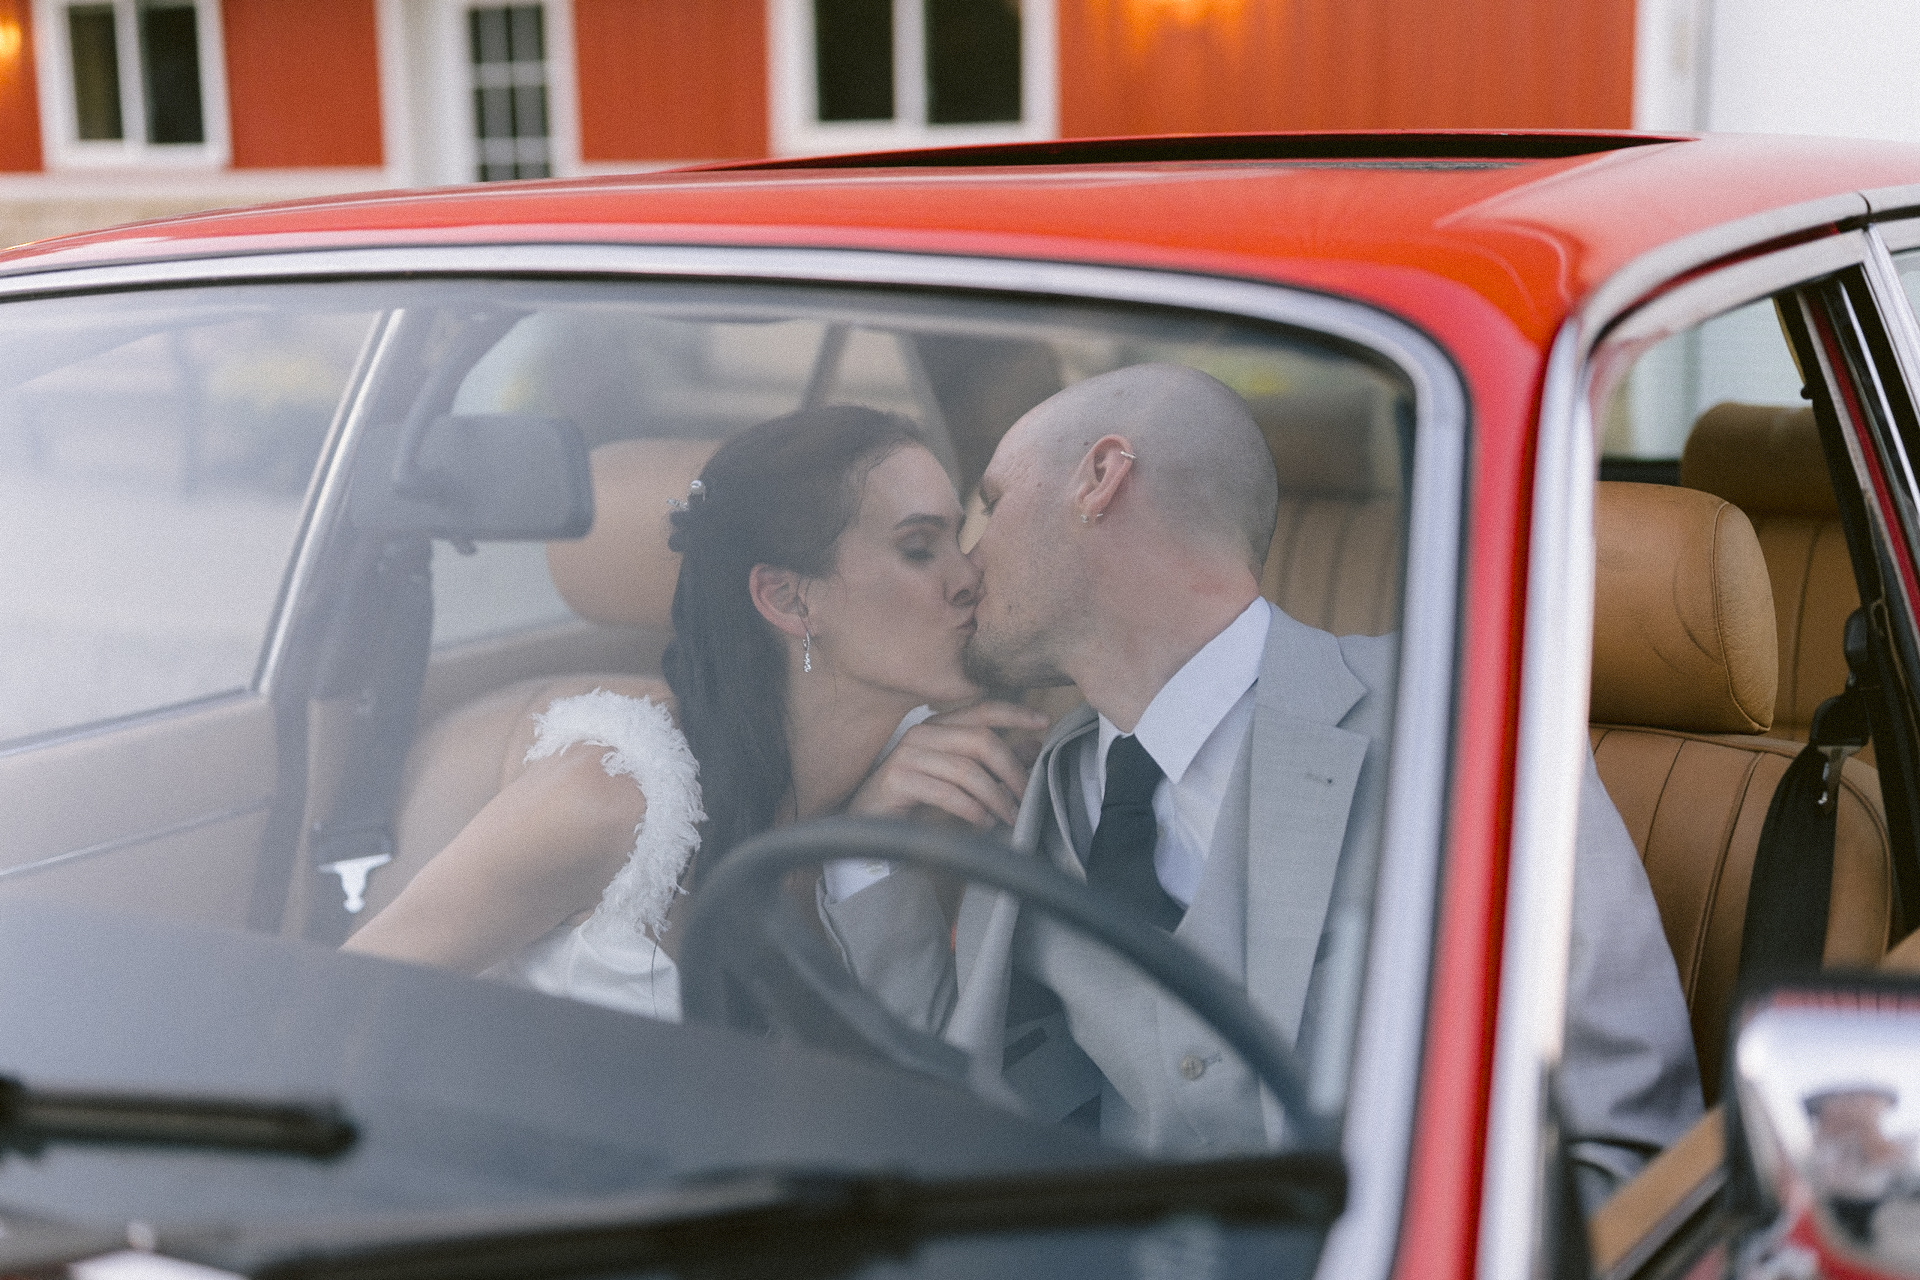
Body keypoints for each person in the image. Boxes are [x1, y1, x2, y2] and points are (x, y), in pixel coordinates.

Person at [822, 362, 1703, 1210]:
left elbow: (1619, 1138)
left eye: (993, 504)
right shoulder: (1048, 781)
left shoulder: (1462, 726)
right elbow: (947, 1096)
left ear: (1100, 478)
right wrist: (869, 851)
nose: (967, 565)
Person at [345, 404, 1049, 1021]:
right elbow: (333, 1006)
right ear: (789, 600)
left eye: (959, 543)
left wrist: (866, 846)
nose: (968, 578)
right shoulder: (610, 802)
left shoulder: (928, 782)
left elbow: (912, 1074)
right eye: (919, 548)